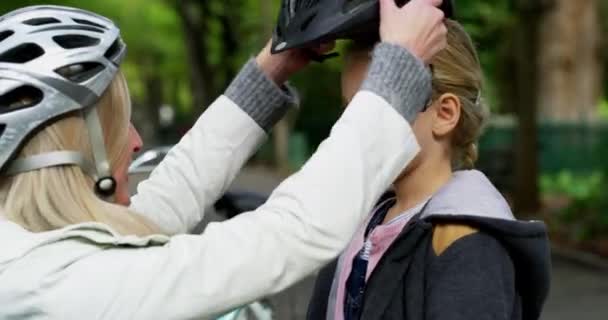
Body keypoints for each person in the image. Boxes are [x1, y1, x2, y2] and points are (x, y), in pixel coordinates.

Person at [0, 2, 447, 319]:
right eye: (120, 126)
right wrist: (399, 71)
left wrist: (272, 70)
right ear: (70, 152)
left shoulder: (26, 255)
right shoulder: (65, 289)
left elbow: (156, 213)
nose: (135, 142)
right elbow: (287, 235)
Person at [271, 1, 553, 320]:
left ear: (444, 114)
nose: (351, 125)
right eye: (350, 108)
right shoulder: (365, 221)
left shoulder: (465, 243)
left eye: (379, 106)